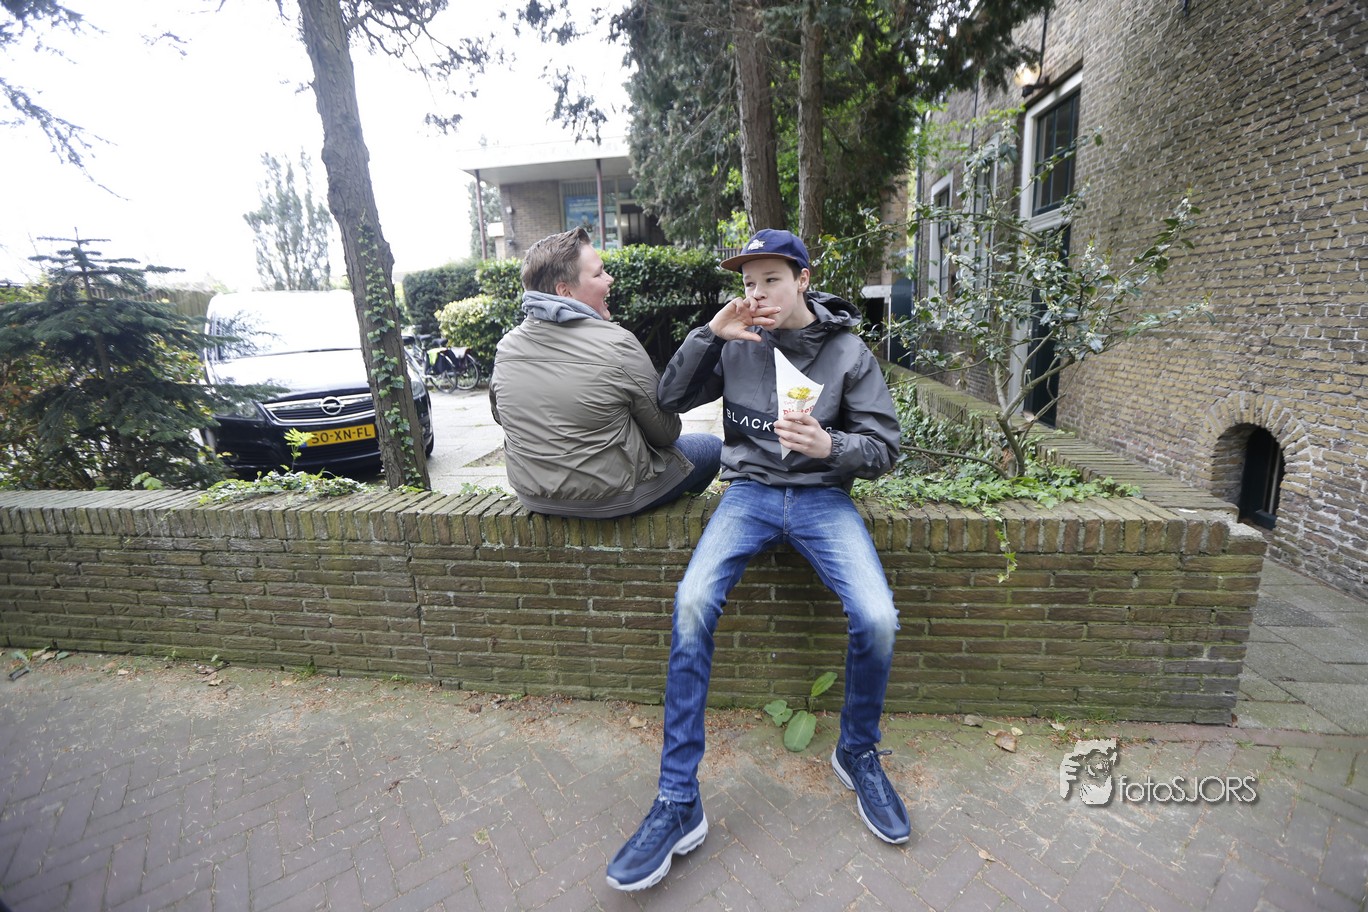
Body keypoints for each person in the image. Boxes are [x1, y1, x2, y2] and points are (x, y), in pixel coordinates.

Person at [605, 229, 909, 892]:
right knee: (691, 603)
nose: (758, 293)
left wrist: (831, 447)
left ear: (802, 279)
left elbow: (885, 447)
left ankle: (857, 751)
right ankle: (678, 798)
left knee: (878, 617)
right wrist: (709, 335)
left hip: (823, 499)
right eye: (748, 282)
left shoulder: (848, 352)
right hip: (747, 495)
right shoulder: (737, 340)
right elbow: (668, 400)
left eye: (771, 279)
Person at [489, 227, 721, 518]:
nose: (609, 279)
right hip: (612, 497)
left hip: (533, 496)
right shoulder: (616, 342)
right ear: (565, 291)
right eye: (599, 274)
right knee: (712, 447)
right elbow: (666, 432)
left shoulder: (506, 347)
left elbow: (501, 416)